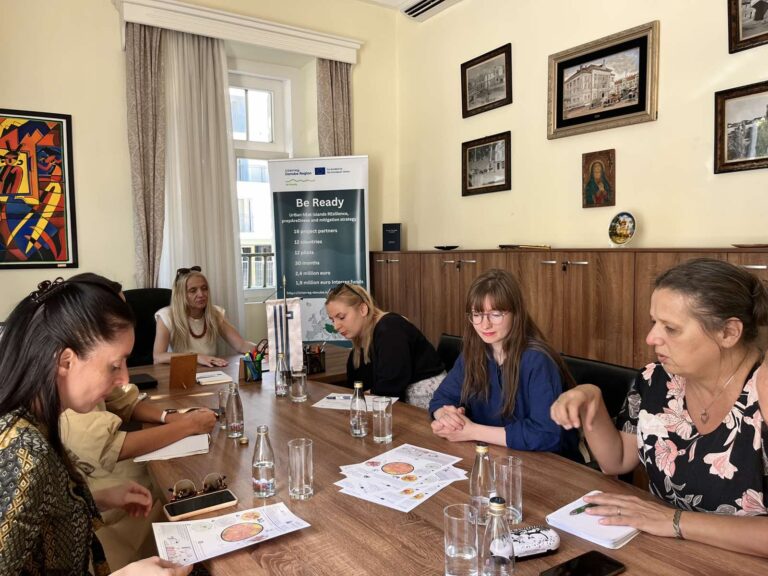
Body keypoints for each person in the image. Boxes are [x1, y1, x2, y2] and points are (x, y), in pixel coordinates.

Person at [551, 258, 768, 557]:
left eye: (671, 328)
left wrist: (674, 521)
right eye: (654, 322)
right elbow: (617, 461)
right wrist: (593, 400)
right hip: (666, 554)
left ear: (729, 332)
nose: (651, 338)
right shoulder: (656, 379)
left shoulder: (762, 389)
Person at [0, 276, 191, 575]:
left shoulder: (36, 424)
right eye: (115, 365)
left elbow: (41, 515)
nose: (124, 379)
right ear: (65, 361)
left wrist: (96, 499)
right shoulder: (25, 455)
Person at [60, 273, 217, 568]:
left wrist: (168, 417)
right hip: (95, 486)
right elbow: (112, 448)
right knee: (168, 481)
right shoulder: (27, 446)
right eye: (115, 366)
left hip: (91, 489)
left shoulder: (81, 371)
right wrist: (188, 425)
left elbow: (124, 401)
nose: (124, 378)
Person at [429, 269, 577, 453]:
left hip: (547, 462)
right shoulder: (472, 353)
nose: (485, 324)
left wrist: (472, 431)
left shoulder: (538, 360)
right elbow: (441, 398)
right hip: (493, 453)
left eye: (496, 314)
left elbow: (546, 434)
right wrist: (446, 417)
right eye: (477, 314)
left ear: (516, 313)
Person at [325, 282, 445, 409]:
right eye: (332, 320)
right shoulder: (360, 342)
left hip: (430, 403)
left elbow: (391, 386)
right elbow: (358, 384)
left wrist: (362, 398)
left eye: (341, 317)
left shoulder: (390, 328)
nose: (336, 326)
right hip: (398, 402)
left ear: (363, 309)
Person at [153, 266, 255, 367]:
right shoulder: (167, 316)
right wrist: (196, 357)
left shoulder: (215, 313)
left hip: (210, 370)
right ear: (181, 295)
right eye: (193, 290)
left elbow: (241, 345)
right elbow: (158, 356)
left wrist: (261, 348)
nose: (201, 294)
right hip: (183, 370)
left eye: (204, 288)